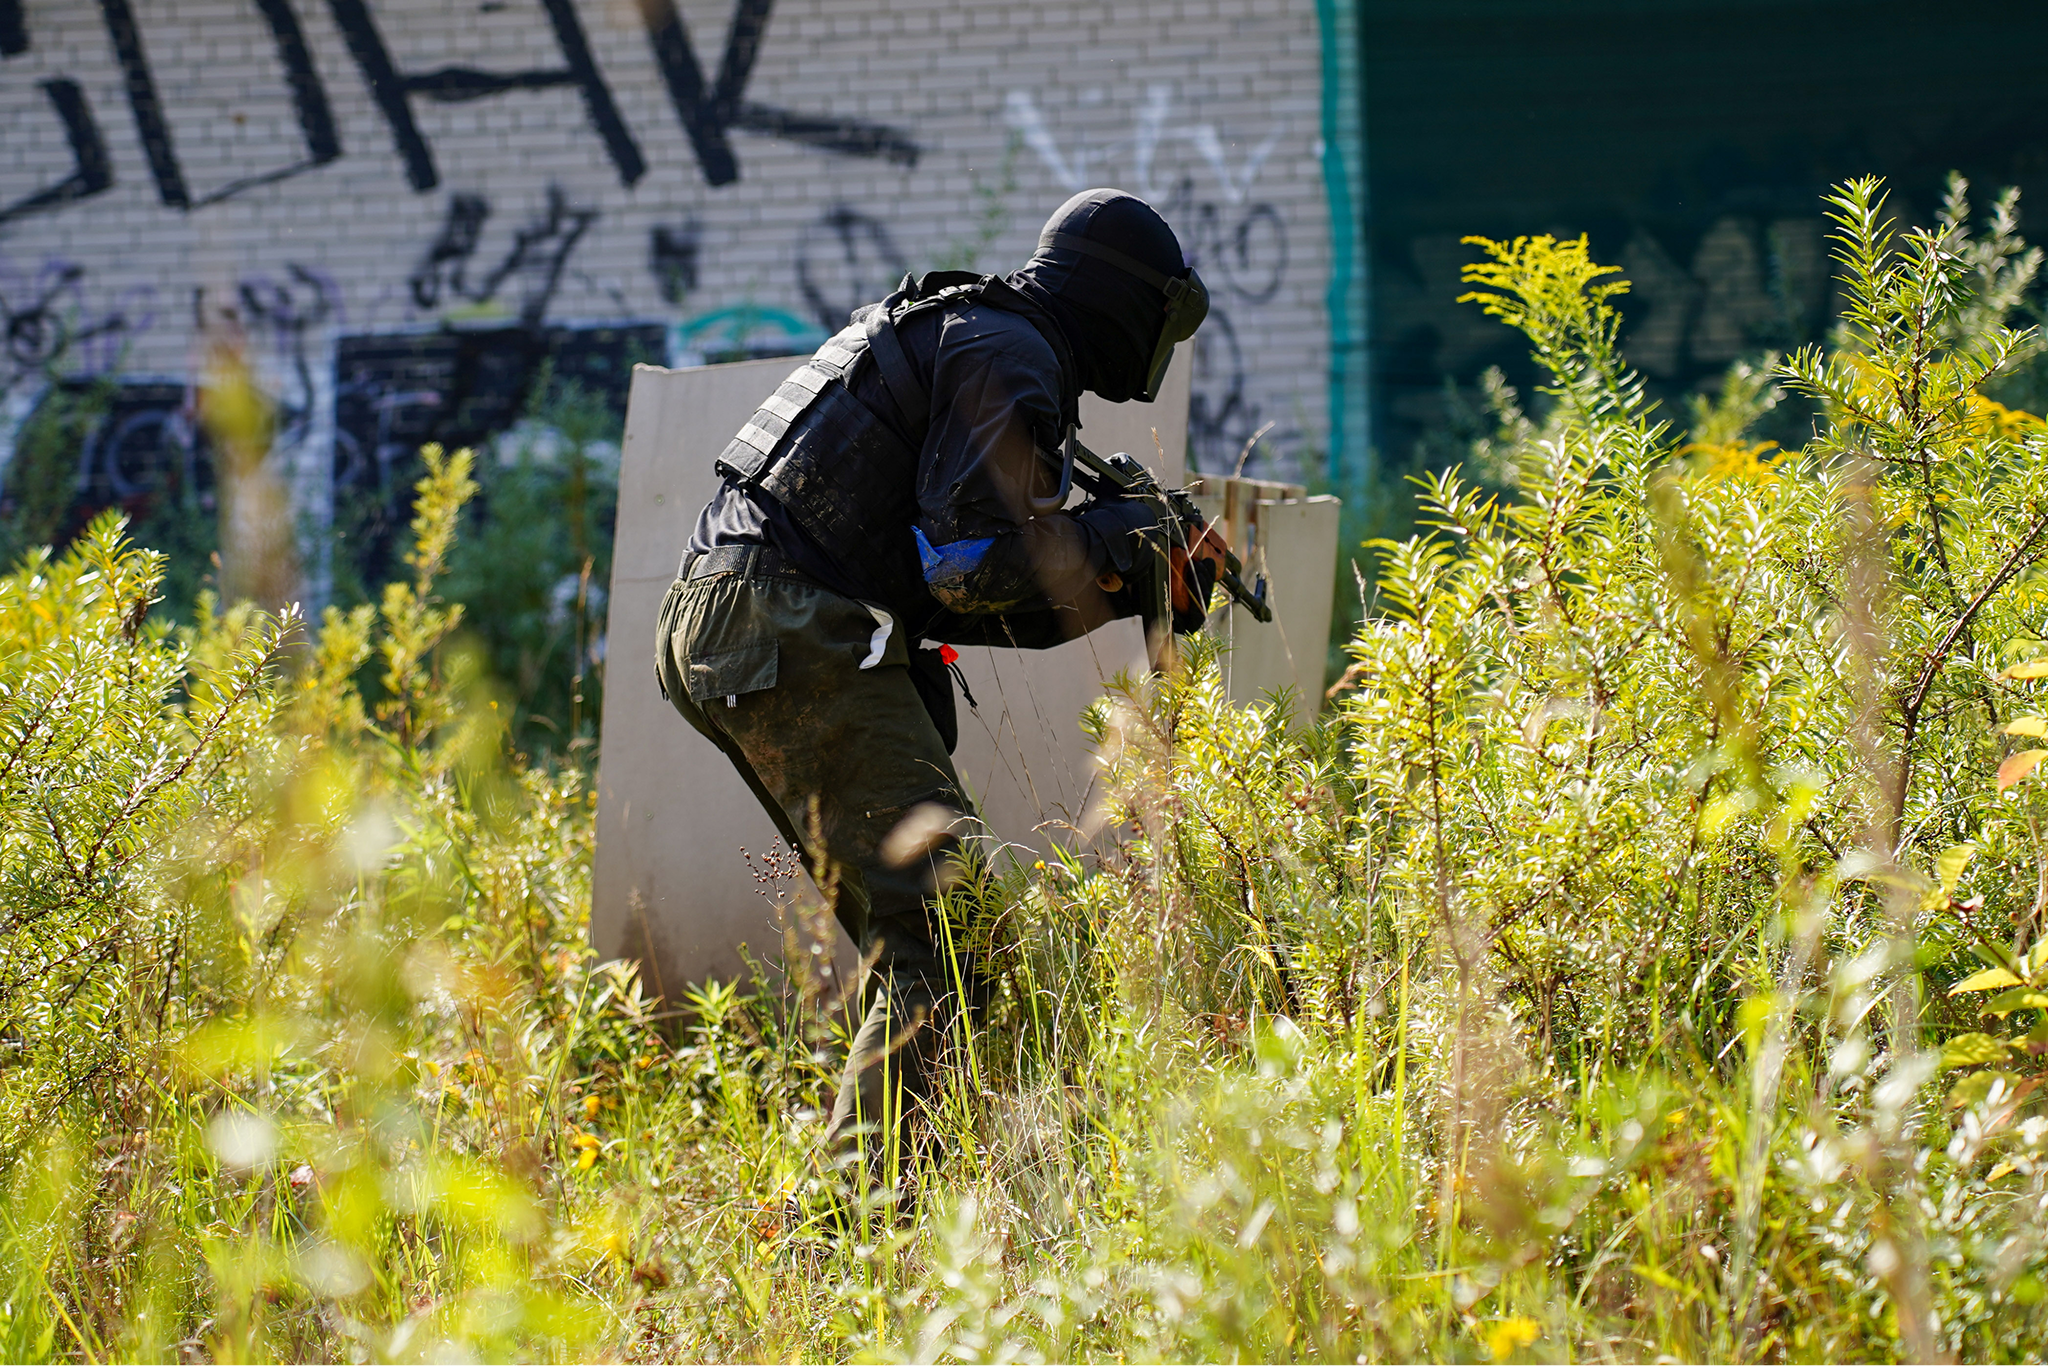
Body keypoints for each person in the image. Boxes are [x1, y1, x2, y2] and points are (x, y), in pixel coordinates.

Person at [653, 188, 1226, 1180]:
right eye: (1163, 320)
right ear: (1124, 302)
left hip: (743, 615)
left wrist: (1120, 562)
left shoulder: (979, 333)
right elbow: (972, 564)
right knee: (948, 945)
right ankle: (848, 1238)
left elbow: (964, 589)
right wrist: (1123, 535)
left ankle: (909, 1202)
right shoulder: (1010, 351)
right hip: (786, 621)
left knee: (927, 943)